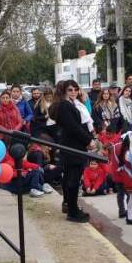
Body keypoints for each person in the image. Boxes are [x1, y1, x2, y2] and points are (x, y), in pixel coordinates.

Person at [51, 80, 95, 222]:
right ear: (64, 91)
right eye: (70, 90)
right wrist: (88, 140)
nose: (74, 92)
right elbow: (73, 127)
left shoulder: (71, 104)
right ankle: (72, 211)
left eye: (76, 89)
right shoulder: (65, 105)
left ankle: (72, 208)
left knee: (72, 179)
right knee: (73, 179)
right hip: (72, 147)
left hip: (75, 146)